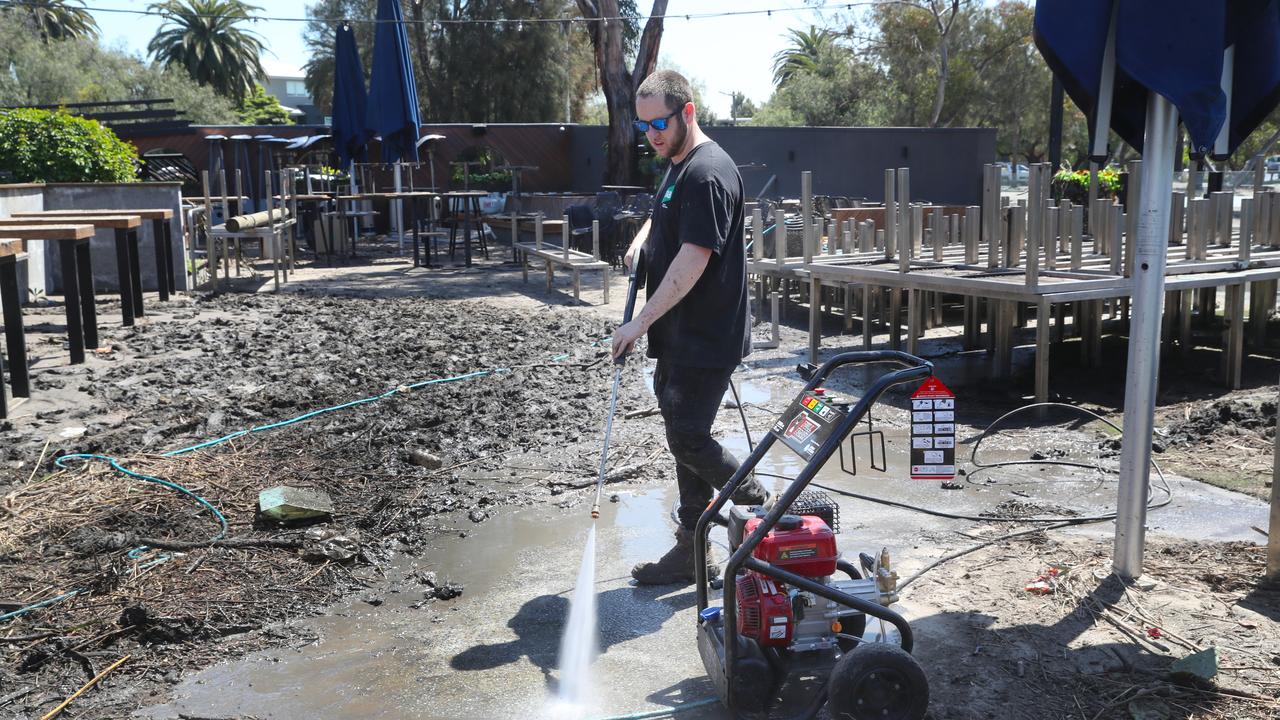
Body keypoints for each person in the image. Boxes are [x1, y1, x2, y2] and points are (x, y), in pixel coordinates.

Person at [611, 69, 769, 586]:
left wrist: (637, 323)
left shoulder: (708, 173)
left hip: (706, 335)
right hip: (680, 336)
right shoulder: (679, 164)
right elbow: (668, 216)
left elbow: (693, 260)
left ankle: (761, 504)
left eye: (661, 121)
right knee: (684, 440)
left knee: (687, 437)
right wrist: (644, 237)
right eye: (644, 125)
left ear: (688, 112)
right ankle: (691, 552)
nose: (652, 133)